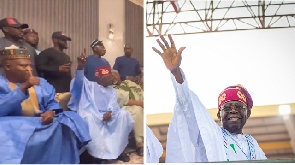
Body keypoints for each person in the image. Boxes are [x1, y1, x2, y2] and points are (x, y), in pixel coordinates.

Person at [151, 35, 267, 162]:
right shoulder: (210, 136)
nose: (233, 110)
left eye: (238, 106)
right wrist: (176, 72)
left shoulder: (253, 144)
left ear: (248, 113)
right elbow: (188, 108)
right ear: (219, 114)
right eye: (227, 107)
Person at [0, 45, 91, 164]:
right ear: (7, 66)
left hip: (42, 123)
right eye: (24, 66)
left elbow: (51, 102)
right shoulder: (2, 84)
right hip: (15, 126)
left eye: (30, 66)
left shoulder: (40, 82)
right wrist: (23, 89)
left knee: (71, 120)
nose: (30, 70)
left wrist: (51, 112)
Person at [68, 53, 135, 163]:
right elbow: (78, 82)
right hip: (92, 115)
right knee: (88, 118)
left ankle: (117, 151)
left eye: (109, 77)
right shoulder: (89, 85)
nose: (108, 79)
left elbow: (114, 107)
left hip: (108, 118)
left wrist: (110, 113)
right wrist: (80, 66)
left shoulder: (112, 90)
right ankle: (97, 155)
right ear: (98, 76)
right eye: (105, 77)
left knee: (124, 114)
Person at [36, 31, 72, 110]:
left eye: (66, 40)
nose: (65, 42)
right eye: (63, 40)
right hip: (53, 90)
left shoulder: (66, 56)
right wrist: (57, 69)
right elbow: (39, 67)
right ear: (55, 40)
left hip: (66, 90)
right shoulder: (46, 53)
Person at [112, 70, 144, 156]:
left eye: (115, 75)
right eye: (111, 76)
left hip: (141, 104)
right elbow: (126, 100)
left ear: (119, 76)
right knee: (137, 110)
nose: (113, 77)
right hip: (124, 108)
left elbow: (140, 92)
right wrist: (142, 104)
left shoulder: (129, 83)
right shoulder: (112, 88)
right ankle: (139, 144)